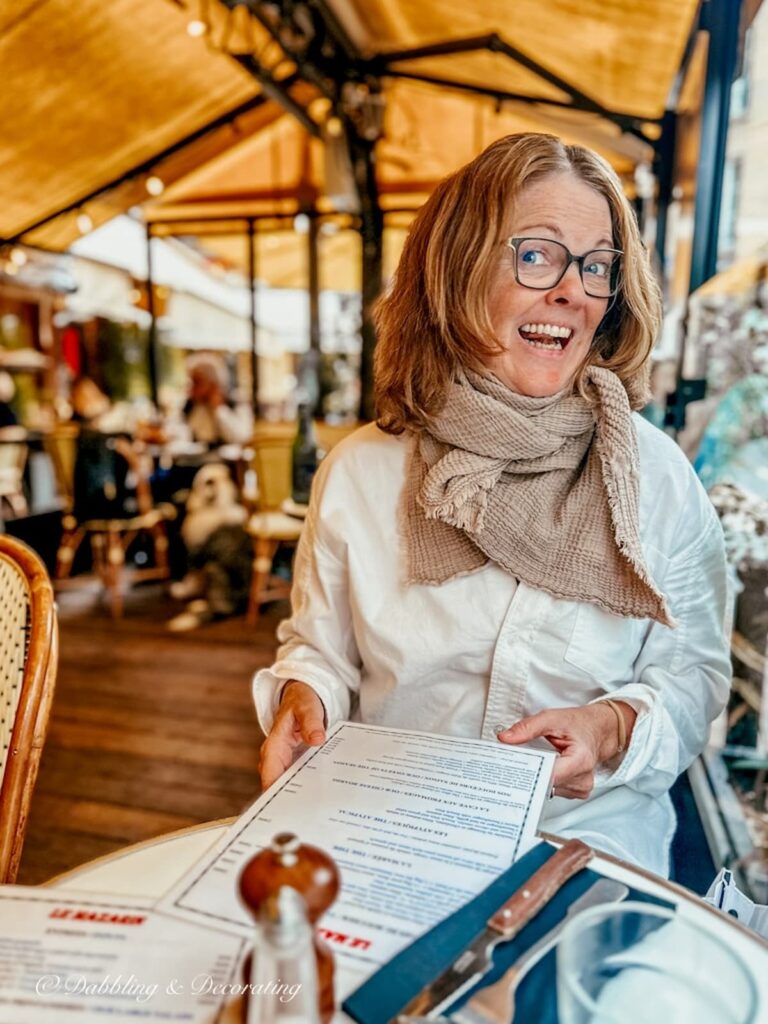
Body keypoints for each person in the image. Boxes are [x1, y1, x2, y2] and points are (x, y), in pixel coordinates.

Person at [253, 133, 730, 876]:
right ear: (455, 270)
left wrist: (610, 727)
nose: (574, 291)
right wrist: (301, 697)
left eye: (597, 266)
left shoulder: (658, 478)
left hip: (584, 849)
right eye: (537, 255)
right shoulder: (360, 474)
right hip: (387, 834)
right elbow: (319, 650)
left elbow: (694, 678)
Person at [182, 354, 253, 447]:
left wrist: (218, 409)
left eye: (197, 382)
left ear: (213, 384)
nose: (191, 388)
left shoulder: (235, 402)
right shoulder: (190, 406)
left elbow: (242, 438)